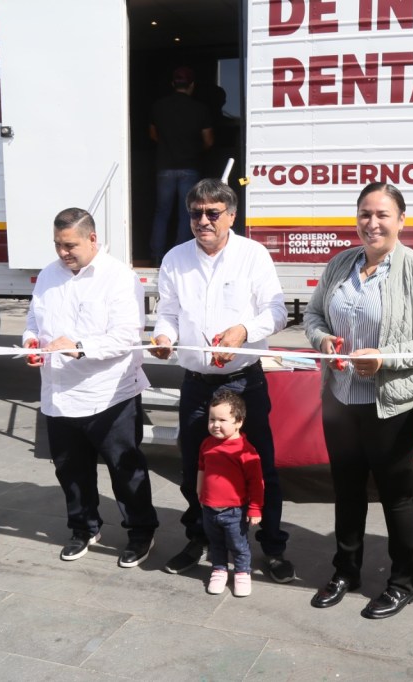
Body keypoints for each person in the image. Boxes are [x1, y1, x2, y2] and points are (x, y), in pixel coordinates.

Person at [303, 182, 413, 619]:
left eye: (382, 214)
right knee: (347, 490)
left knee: (395, 494)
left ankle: (402, 583)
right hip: (342, 397)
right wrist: (323, 339)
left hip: (396, 403)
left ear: (401, 221)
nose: (372, 223)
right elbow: (313, 315)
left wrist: (385, 359)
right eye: (365, 214)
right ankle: (345, 571)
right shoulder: (339, 265)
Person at [150, 178, 294, 582]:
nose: (203, 221)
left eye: (213, 213)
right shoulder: (175, 259)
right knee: (194, 467)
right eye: (195, 213)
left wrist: (244, 331)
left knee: (260, 465)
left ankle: (272, 546)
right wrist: (164, 337)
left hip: (244, 381)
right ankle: (199, 539)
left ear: (232, 215)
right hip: (196, 382)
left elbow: (277, 312)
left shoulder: (253, 255)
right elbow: (169, 313)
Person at [24, 207, 159, 567]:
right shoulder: (48, 276)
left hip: (109, 393)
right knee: (70, 469)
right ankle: (83, 527)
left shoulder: (118, 277)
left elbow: (127, 336)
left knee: (125, 469)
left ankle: (141, 531)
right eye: (57, 245)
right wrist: (31, 341)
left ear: (93, 239)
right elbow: (34, 319)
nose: (63, 253)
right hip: (59, 393)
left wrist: (78, 345)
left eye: (70, 245)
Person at [198, 388, 264, 598]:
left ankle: (242, 572)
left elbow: (256, 482)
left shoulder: (246, 451)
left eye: (222, 420)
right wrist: (199, 490)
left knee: (238, 544)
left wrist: (255, 509)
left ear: (239, 421)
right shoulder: (206, 444)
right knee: (215, 543)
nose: (215, 425)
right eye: (211, 419)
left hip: (234, 510)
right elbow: (201, 467)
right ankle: (219, 569)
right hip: (209, 508)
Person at [149, 66, 214, 266]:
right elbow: (209, 141)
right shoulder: (200, 109)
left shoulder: (158, 106)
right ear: (192, 85)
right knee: (188, 213)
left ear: (172, 84)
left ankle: (157, 256)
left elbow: (152, 134)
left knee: (162, 212)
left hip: (165, 167)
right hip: (190, 166)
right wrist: (193, 150)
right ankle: (180, 260)